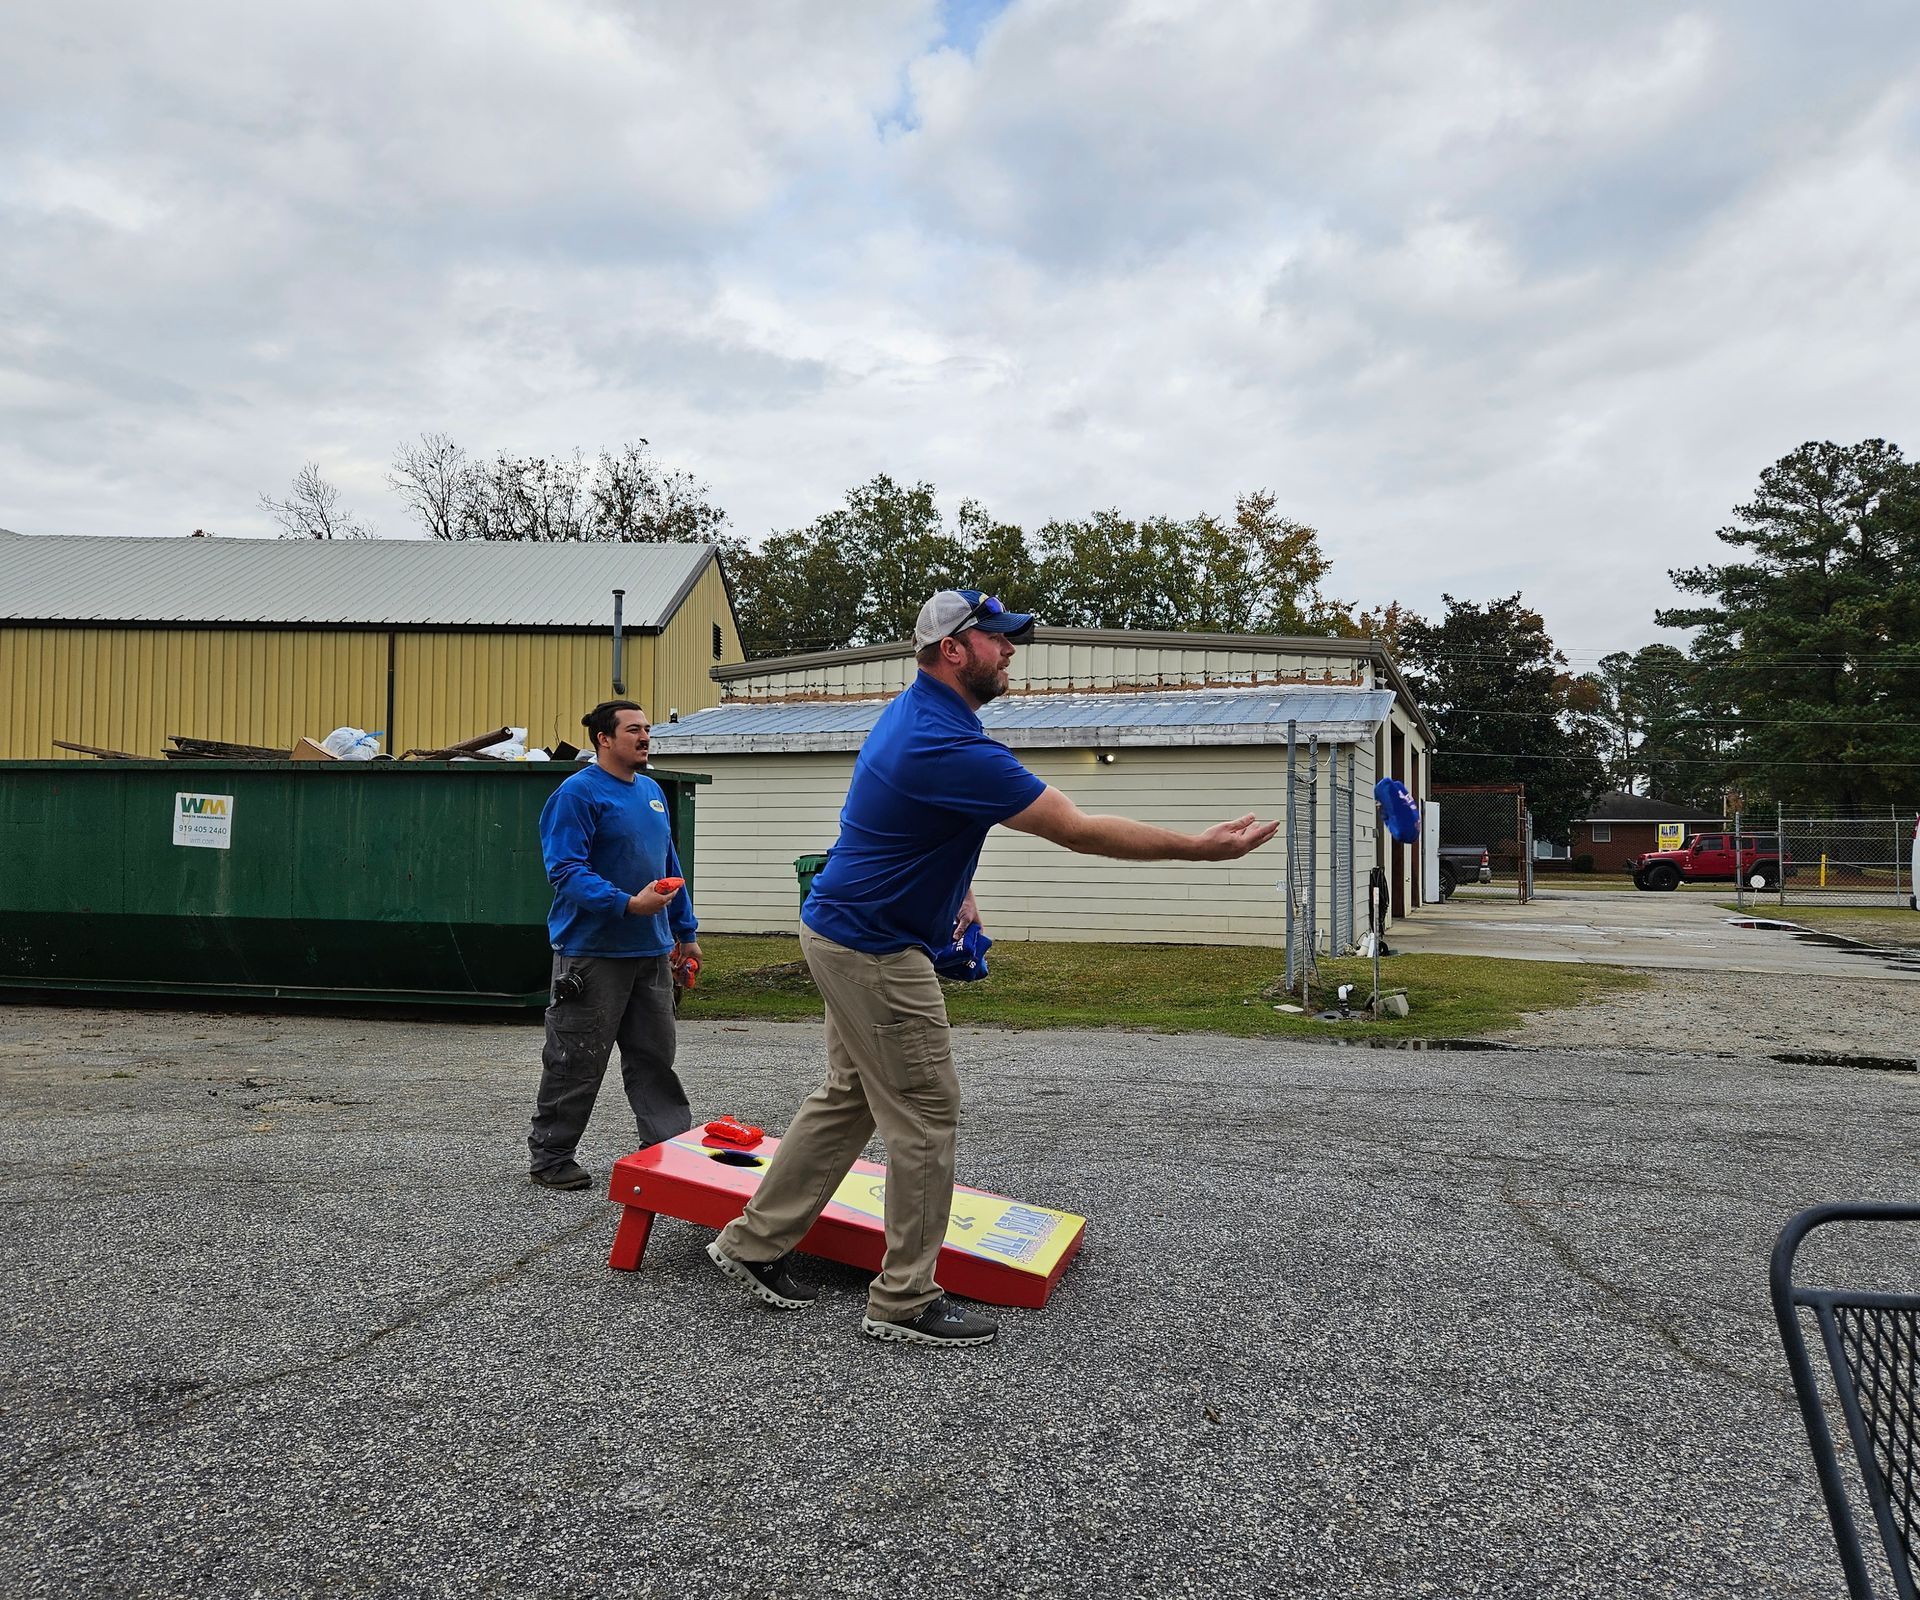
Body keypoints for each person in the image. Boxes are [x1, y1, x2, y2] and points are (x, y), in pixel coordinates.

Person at [706, 589, 1279, 1346]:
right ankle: (903, 1300)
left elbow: (900, 821)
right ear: (953, 650)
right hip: (876, 948)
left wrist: (958, 887)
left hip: (845, 930)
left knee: (850, 1094)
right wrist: (1201, 849)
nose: (1011, 650)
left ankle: (752, 1243)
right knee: (924, 1115)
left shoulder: (920, 716)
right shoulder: (950, 744)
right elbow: (1076, 829)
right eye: (997, 639)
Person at [527, 699, 702, 1190]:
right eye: (633, 730)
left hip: (650, 950)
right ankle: (551, 1156)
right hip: (593, 950)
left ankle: (667, 1149)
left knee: (654, 1056)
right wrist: (626, 905)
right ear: (604, 738)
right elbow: (564, 870)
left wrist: (684, 934)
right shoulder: (577, 794)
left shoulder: (650, 791)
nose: (645, 737)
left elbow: (669, 866)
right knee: (575, 1058)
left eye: (647, 729)